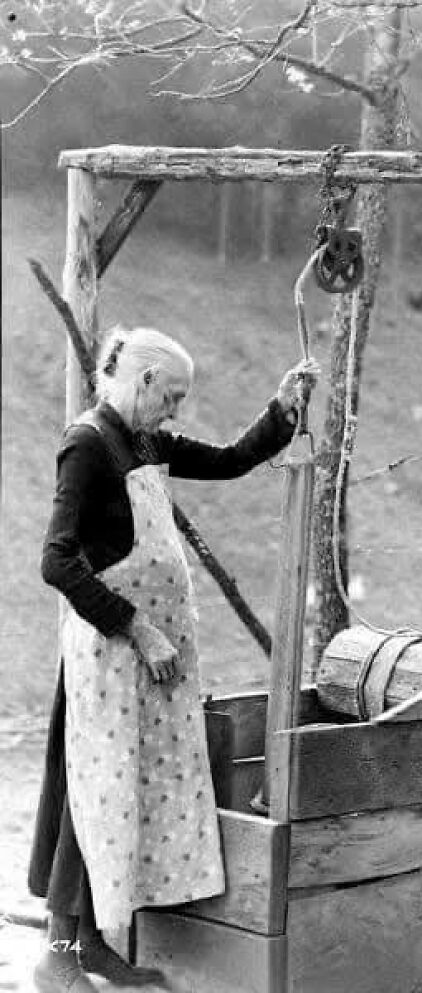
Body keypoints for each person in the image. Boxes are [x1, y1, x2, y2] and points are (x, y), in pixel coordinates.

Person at [28, 325, 320, 993]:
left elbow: (228, 459)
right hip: (110, 655)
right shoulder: (88, 445)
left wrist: (283, 411)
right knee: (92, 793)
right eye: (173, 396)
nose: (176, 411)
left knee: (122, 796)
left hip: (146, 666)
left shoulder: (145, 440)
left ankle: (100, 946)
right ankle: (58, 951)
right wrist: (138, 628)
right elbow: (56, 559)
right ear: (144, 381)